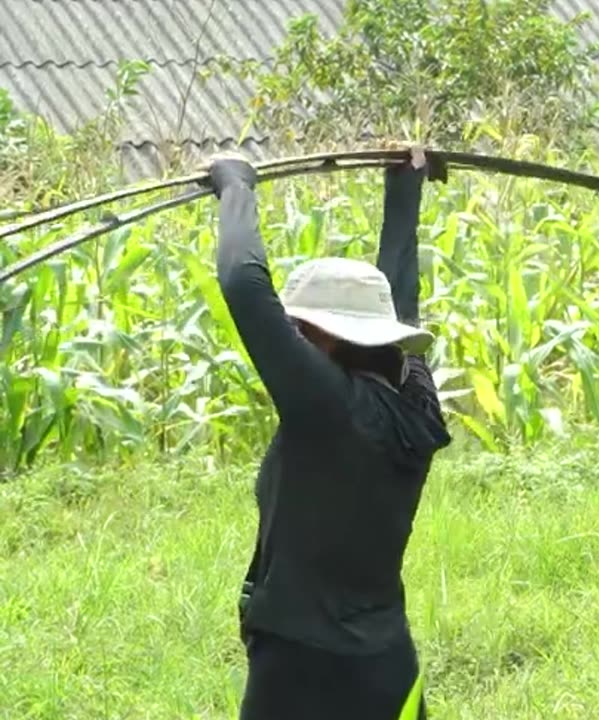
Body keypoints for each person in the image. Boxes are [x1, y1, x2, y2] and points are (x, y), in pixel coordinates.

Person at [202, 146, 452, 719]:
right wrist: (405, 187)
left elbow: (243, 282)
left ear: (324, 336)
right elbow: (401, 299)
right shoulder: (416, 402)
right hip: (387, 663)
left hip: (299, 667)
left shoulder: (324, 405)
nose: (288, 334)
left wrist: (236, 183)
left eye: (297, 327)